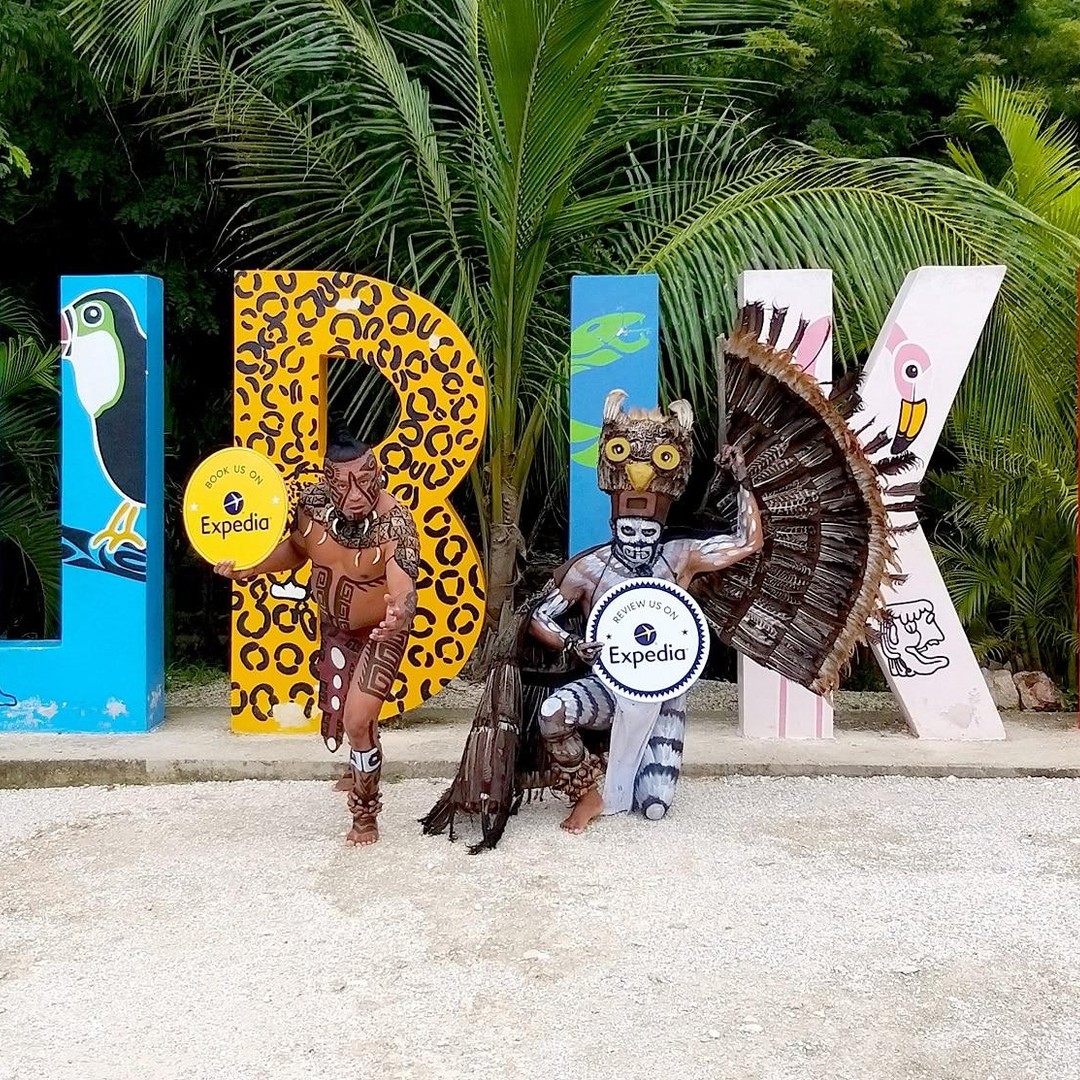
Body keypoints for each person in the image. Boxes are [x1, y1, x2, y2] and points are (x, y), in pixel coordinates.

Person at [215, 424, 419, 847]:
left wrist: (399, 612)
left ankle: (365, 814)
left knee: (357, 718)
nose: (356, 495)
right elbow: (296, 549)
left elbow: (403, 584)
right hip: (334, 628)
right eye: (344, 486)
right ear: (328, 482)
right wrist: (252, 566)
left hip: (382, 631)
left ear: (378, 475)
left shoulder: (395, 522)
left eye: (364, 482)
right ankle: (360, 758)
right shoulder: (311, 506)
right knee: (345, 710)